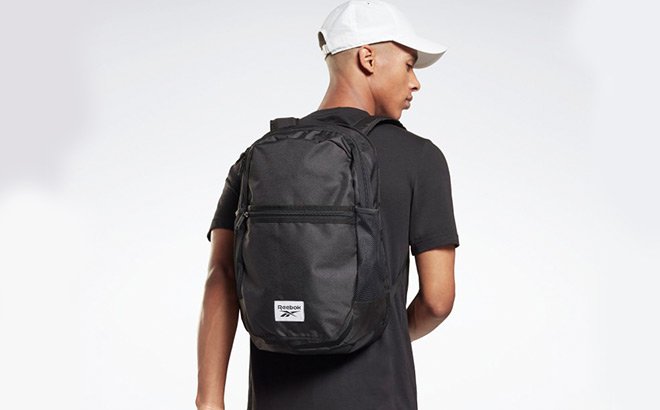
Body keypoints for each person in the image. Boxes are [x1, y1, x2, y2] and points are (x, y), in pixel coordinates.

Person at [196, 1, 460, 409]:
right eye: (409, 65)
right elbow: (438, 300)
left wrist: (209, 401)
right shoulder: (419, 157)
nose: (415, 83)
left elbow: (222, 275)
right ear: (368, 58)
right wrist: (380, 332)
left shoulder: (258, 158)